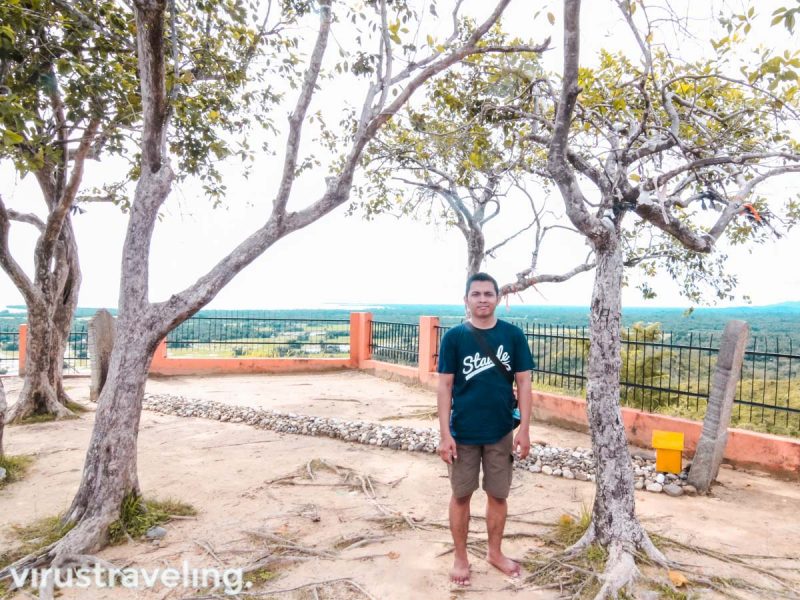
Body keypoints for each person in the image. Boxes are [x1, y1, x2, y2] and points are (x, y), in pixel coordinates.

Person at [437, 272, 534, 587]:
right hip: (462, 432)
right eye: (475, 294)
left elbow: (524, 384)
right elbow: (445, 387)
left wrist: (525, 430)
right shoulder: (454, 337)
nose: (482, 299)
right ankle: (461, 557)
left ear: (497, 298)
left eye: (488, 294)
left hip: (501, 430)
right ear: (466, 299)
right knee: (461, 495)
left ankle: (495, 552)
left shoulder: (513, 335)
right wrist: (444, 434)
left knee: (498, 495)